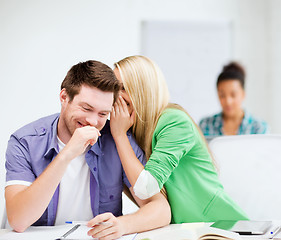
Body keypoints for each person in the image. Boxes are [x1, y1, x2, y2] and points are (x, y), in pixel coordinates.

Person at [4, 60, 171, 239]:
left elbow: (161, 209)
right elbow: (19, 220)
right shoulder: (24, 142)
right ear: (64, 97)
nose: (93, 121)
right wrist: (67, 154)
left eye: (102, 114)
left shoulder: (117, 141)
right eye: (86, 108)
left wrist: (123, 225)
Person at [109, 55, 249, 223]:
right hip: (186, 229)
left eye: (123, 88)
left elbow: (146, 188)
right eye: (114, 89)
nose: (116, 97)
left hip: (222, 226)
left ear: (142, 90)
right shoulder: (135, 131)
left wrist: (119, 135)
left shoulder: (174, 121)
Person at [199, 62, 269, 137]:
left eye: (233, 95)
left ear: (243, 94)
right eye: (222, 95)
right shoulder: (205, 125)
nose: (228, 102)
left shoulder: (259, 128)